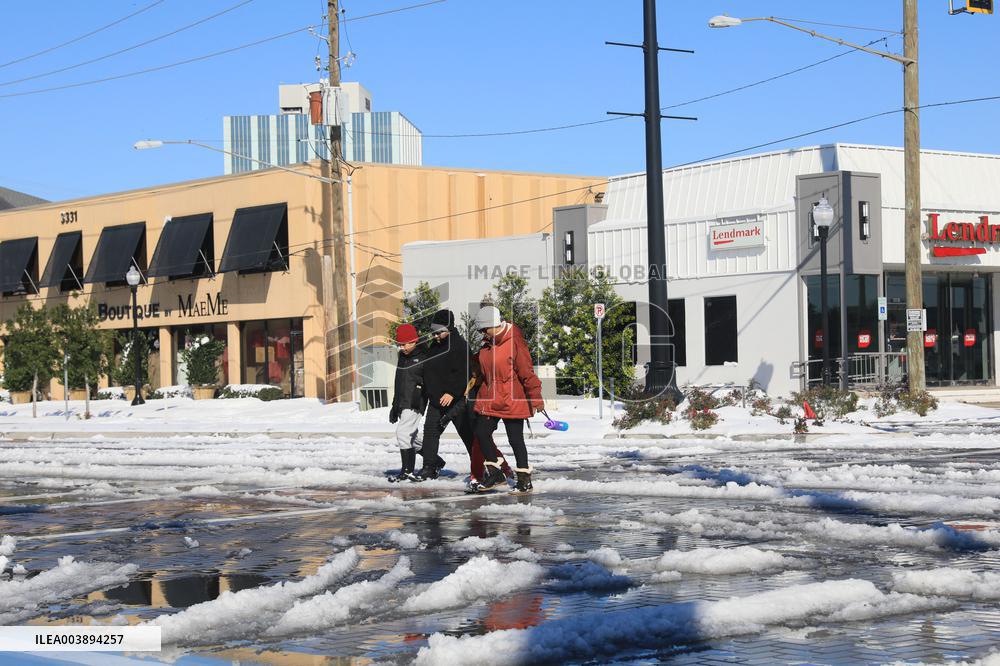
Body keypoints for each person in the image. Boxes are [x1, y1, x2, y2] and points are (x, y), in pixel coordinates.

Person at [471, 305, 543, 494]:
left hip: (513, 399)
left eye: (484, 329)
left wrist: (536, 398)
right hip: (491, 398)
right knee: (481, 432)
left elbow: (527, 372)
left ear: (493, 325)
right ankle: (496, 473)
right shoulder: (487, 344)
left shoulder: (515, 342)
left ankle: (524, 481)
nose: (482, 333)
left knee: (515, 439)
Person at [417, 309, 476, 479]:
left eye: (440, 332)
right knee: (430, 432)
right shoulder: (434, 347)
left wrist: (452, 392)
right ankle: (429, 467)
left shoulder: (460, 345)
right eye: (434, 333)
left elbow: (465, 372)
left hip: (456, 401)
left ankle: (480, 468)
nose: (436, 336)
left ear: (449, 329)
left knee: (468, 435)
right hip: (436, 400)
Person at [388, 323, 426, 483]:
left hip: (415, 401)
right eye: (399, 344)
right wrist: (394, 406)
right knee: (411, 436)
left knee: (403, 433)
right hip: (403, 401)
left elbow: (429, 380)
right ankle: (433, 457)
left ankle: (407, 470)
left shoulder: (424, 355)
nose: (402, 347)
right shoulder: (403, 357)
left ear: (414, 341)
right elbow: (399, 382)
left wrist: (420, 393)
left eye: (404, 344)